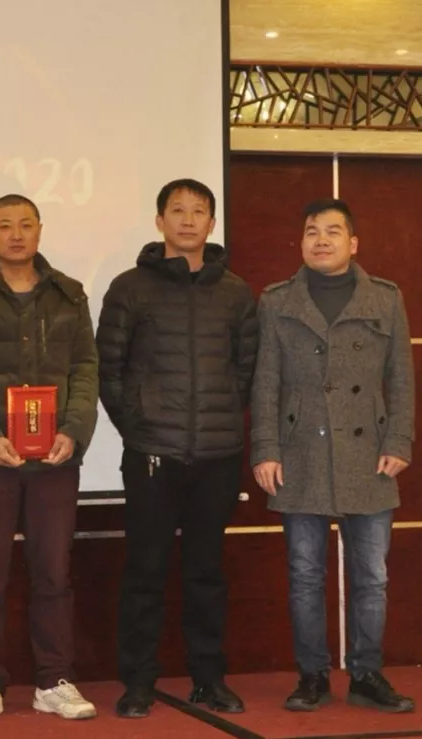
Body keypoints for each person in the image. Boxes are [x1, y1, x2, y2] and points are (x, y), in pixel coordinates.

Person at [96, 178, 257, 718]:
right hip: (151, 454)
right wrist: (138, 426)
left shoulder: (235, 292)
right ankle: (138, 682)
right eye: (178, 210)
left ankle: (209, 678)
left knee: (206, 573)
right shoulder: (129, 287)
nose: (188, 220)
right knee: (144, 571)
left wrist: (221, 420)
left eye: (199, 211)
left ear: (212, 223)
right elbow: (109, 369)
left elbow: (246, 370)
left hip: (217, 455)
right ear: (159, 220)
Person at [0, 194, 99, 725]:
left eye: (25, 224)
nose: (15, 234)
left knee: (54, 573)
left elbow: (85, 368)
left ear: (39, 230)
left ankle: (53, 680)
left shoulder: (69, 294)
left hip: (55, 460)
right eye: (5, 225)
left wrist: (74, 431)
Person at [251, 199, 415, 713]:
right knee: (304, 575)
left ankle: (366, 674)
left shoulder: (385, 298)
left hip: (369, 454)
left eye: (332, 231)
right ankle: (312, 675)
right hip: (300, 451)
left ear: (353, 243)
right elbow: (265, 382)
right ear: (301, 241)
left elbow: (402, 377)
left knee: (372, 577)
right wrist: (265, 449)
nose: (321, 240)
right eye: (311, 231)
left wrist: (399, 440)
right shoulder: (277, 300)